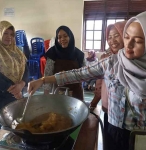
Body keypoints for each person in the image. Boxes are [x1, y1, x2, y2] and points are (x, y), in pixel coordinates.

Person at [28, 11, 146, 150]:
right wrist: (43, 80)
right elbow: (78, 74)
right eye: (126, 37)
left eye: (137, 41)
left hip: (141, 136)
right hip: (113, 129)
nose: (128, 45)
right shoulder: (111, 63)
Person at [90, 20, 127, 149]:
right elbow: (99, 85)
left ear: (125, 35)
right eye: (109, 37)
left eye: (116, 35)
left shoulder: (134, 60)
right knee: (109, 143)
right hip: (108, 110)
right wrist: (94, 103)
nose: (112, 40)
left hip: (127, 118)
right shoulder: (106, 59)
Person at [0, 21, 28, 131]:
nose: (9, 37)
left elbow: (26, 69)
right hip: (0, 96)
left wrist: (22, 84)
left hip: (16, 94)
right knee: (0, 125)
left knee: (15, 123)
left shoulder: (17, 51)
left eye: (11, 34)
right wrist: (14, 90)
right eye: (5, 33)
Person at [44, 25, 85, 100]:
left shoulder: (79, 54)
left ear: (70, 37)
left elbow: (84, 75)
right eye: (59, 37)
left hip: (76, 94)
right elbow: (48, 74)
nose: (62, 39)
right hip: (58, 93)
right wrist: (46, 97)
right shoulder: (52, 53)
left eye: (65, 36)